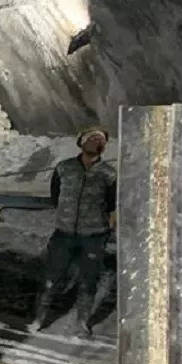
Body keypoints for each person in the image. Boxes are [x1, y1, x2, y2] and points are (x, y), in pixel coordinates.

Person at [28, 126, 117, 336]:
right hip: (64, 233)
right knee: (50, 279)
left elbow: (112, 204)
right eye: (93, 139)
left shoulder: (109, 174)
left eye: (101, 141)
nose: (97, 143)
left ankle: (82, 323)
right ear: (82, 142)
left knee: (88, 282)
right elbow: (55, 196)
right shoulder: (63, 168)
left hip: (94, 236)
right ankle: (38, 319)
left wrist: (108, 228)